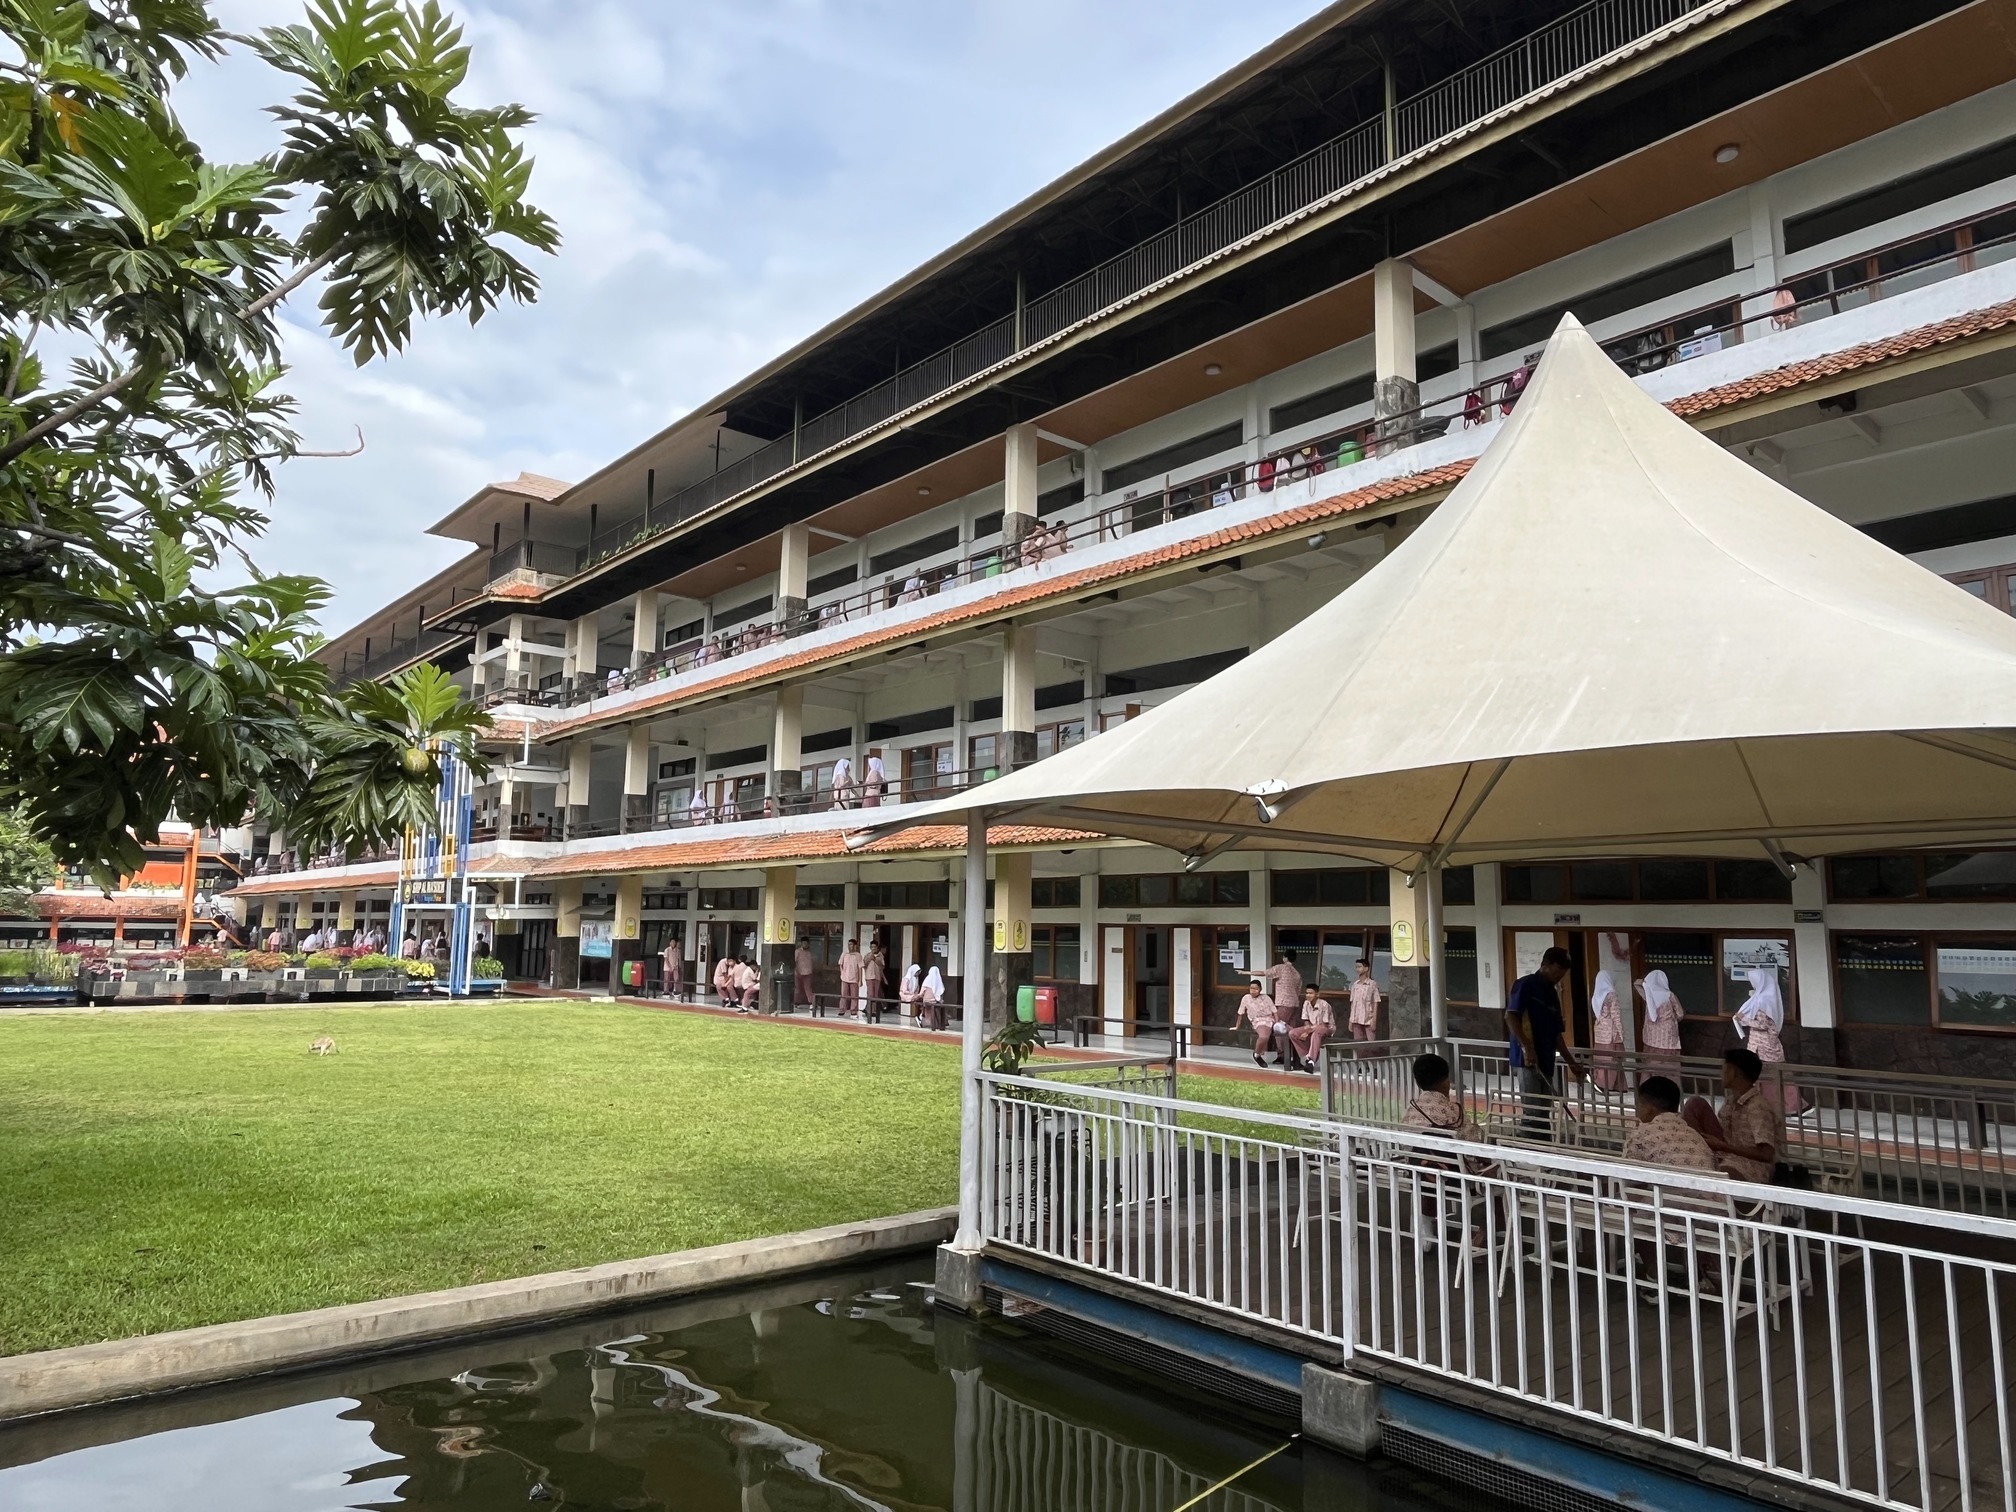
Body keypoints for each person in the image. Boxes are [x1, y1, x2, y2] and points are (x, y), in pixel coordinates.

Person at [1504, 947, 1584, 1137]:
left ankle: (1545, 1149)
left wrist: (1571, 1062)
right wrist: (1527, 1046)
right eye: (1557, 972)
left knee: (1544, 1109)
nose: (1559, 977)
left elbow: (1556, 1033)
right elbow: (1511, 1016)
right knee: (1532, 1111)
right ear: (1546, 965)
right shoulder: (1525, 985)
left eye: (1562, 974)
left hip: (1547, 1058)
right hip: (1528, 1060)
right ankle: (1528, 1152)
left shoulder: (1552, 993)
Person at [1683, 1048, 1786, 1184]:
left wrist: (1723, 1146)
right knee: (1695, 1104)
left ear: (1732, 1072)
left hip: (1751, 1165)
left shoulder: (1757, 1106)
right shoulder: (1731, 1101)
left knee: (1724, 1174)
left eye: (1724, 1070)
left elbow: (1766, 1154)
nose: (1722, 1075)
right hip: (1726, 1155)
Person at [1732, 967, 1799, 1114]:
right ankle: (1790, 1105)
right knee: (1776, 1076)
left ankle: (1774, 1105)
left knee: (1766, 1076)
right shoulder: (1768, 997)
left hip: (1762, 1046)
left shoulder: (1762, 1000)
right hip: (1768, 1044)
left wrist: (1744, 1019)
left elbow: (1762, 1025)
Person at [1623, 1076, 1717, 1171]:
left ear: (1648, 1109)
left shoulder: (1640, 1134)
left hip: (1671, 1184)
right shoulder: (1694, 1134)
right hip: (1708, 1184)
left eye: (1638, 1104)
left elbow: (1627, 1174)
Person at [1636, 969, 1684, 1069]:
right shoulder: (1669, 995)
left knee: (1650, 1068)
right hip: (1668, 1041)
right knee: (1669, 1070)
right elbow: (1680, 1013)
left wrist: (1645, 983)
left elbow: (1636, 984)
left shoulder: (1650, 997)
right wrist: (1674, 1019)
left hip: (1651, 1040)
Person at [1590, 970, 1627, 1093]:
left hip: (1600, 1032)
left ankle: (1607, 1084)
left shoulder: (1596, 995)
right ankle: (1605, 1085)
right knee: (1614, 1059)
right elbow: (1616, 1016)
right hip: (1611, 1033)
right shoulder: (1611, 994)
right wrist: (1621, 1033)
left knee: (1602, 1059)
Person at [1235, 977, 1282, 1068]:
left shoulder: (1266, 997)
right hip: (1258, 1021)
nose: (1253, 991)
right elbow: (1240, 1013)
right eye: (1251, 988)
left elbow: (1274, 1011)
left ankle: (1297, 1060)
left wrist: (1277, 1022)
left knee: (1289, 1031)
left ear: (1260, 989)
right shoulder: (1246, 998)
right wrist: (1237, 1026)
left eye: (1256, 989)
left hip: (1270, 1019)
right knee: (1264, 1036)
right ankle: (1257, 1054)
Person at [1290, 984, 1334, 1071]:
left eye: (1311, 993)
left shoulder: (1324, 1004)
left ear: (1317, 994)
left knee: (1316, 1033)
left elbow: (1324, 1024)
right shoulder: (1306, 1003)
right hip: (1311, 1027)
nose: (1308, 995)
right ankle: (1310, 1055)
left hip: (1326, 1028)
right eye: (1307, 993)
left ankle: (1311, 1060)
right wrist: (1307, 1029)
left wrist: (1307, 1032)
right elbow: (1306, 1020)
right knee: (1292, 1033)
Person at [1263, 952, 1303, 1035]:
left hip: (1284, 1002)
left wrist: (1247, 973)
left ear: (1285, 958)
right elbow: (1298, 990)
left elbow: (1265, 973)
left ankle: (1281, 1048)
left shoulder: (1281, 968)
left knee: (1278, 1026)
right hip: (1295, 1003)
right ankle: (1292, 1046)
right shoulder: (1297, 973)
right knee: (1291, 1028)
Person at [1347, 957, 1380, 1042]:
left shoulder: (1372, 984)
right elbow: (1353, 1003)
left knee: (1371, 1043)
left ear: (1366, 968)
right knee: (1358, 1043)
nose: (1357, 969)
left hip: (1368, 1018)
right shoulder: (1355, 985)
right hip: (1356, 1018)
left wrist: (1374, 1020)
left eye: (1359, 967)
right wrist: (1351, 1020)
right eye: (1356, 967)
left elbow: (1375, 1002)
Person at [860, 935, 885, 1017]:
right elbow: (864, 965)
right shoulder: (867, 955)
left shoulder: (880, 956)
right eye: (872, 947)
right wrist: (869, 958)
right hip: (869, 977)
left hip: (877, 977)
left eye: (875, 947)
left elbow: (882, 966)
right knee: (870, 994)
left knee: (876, 994)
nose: (873, 948)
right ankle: (869, 1010)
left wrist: (876, 960)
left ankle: (874, 1011)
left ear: (877, 948)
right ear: (870, 947)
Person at [838, 937, 862, 1017]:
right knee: (843, 995)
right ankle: (842, 1009)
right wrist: (842, 974)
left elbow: (860, 968)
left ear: (855, 946)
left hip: (854, 978)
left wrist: (860, 980)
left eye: (851, 945)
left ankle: (853, 1010)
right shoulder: (844, 954)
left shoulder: (858, 955)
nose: (849, 946)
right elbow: (840, 964)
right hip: (845, 978)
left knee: (854, 995)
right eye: (848, 945)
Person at [920, 965, 946, 1031]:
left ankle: (926, 1021)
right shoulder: (939, 980)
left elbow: (922, 992)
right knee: (939, 1007)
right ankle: (939, 1024)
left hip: (926, 1001)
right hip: (936, 1001)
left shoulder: (927, 980)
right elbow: (941, 992)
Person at [793, 937, 815, 1012]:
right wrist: (797, 970)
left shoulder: (809, 953)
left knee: (808, 988)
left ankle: (811, 1003)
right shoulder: (797, 952)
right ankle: (796, 1003)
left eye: (806, 943)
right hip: (798, 972)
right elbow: (794, 962)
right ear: (801, 943)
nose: (805, 945)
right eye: (804, 943)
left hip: (808, 973)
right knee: (798, 989)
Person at [661, 932, 685, 1000]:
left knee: (676, 979)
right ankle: (666, 991)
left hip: (675, 967)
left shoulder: (677, 950)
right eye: (672, 942)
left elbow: (677, 959)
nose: (673, 943)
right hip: (667, 967)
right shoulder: (667, 950)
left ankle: (676, 991)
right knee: (666, 980)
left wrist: (676, 966)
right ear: (670, 943)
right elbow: (666, 959)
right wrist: (670, 966)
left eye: (674, 942)